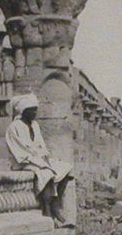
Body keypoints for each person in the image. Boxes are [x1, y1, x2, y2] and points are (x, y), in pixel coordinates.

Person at [5, 93, 73, 223]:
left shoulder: (35, 125)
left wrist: (45, 158)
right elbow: (21, 150)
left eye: (35, 109)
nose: (35, 112)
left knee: (66, 168)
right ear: (23, 111)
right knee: (46, 172)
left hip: (38, 160)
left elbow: (41, 145)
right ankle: (46, 207)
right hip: (23, 162)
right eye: (31, 110)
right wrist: (41, 163)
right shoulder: (14, 127)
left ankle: (55, 204)